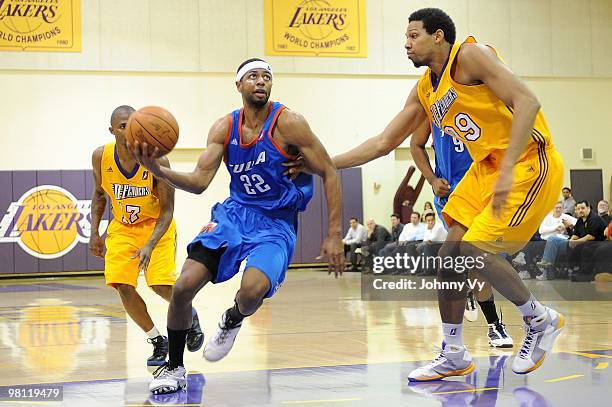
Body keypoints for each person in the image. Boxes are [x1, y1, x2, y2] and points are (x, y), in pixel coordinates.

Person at [287, 8, 564, 378]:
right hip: (485, 170)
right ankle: (454, 353)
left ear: (438, 36)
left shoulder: (470, 55)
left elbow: (528, 102)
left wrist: (509, 166)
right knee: (450, 255)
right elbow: (385, 142)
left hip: (528, 159)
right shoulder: (425, 89)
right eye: (405, 37)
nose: (406, 43)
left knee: (472, 250)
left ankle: (539, 319)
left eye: (413, 35)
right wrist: (322, 163)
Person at [132, 58, 345, 395]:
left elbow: (330, 171)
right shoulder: (223, 127)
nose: (260, 82)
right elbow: (200, 181)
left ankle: (232, 318)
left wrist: (334, 234)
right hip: (234, 215)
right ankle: (174, 367)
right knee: (184, 285)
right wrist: (159, 171)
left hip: (275, 222)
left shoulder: (289, 122)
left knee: (251, 291)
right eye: (252, 76)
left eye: (266, 77)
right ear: (239, 86)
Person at [89, 105, 203, 367]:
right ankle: (156, 340)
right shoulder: (100, 156)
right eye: (122, 126)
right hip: (122, 228)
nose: (128, 130)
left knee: (159, 284)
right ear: (111, 130)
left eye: (132, 124)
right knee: (122, 284)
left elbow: (167, 210)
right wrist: (94, 232)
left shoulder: (157, 160)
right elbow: (98, 195)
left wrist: (150, 244)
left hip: (156, 227)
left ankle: (190, 314)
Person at [411, 120, 513, 348]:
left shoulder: (482, 96)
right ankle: (493, 325)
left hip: (484, 191)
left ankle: (472, 297)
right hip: (452, 195)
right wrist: (431, 179)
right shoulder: (431, 102)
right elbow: (415, 144)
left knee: (480, 259)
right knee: (474, 256)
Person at [534, 201, 577, 280]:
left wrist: (567, 226)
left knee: (552, 239)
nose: (558, 209)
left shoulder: (565, 217)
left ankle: (545, 273)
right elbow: (541, 230)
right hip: (545, 241)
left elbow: (577, 223)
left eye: (560, 208)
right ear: (553, 209)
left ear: (563, 209)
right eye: (556, 208)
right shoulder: (548, 217)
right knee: (550, 240)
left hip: (560, 241)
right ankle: (548, 274)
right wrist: (555, 228)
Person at [567, 200, 607, 281]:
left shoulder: (594, 218)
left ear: (588, 208)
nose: (580, 210)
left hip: (600, 242)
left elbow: (590, 237)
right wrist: (571, 241)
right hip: (588, 242)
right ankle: (572, 268)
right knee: (568, 244)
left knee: (584, 248)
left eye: (582, 208)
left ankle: (585, 272)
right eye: (578, 209)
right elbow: (576, 234)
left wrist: (576, 242)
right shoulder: (580, 220)